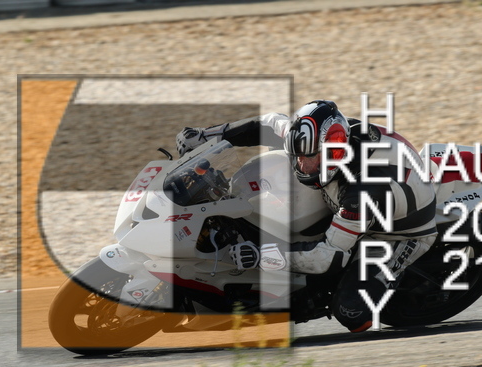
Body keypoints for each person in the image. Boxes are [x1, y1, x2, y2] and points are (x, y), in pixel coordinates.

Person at [176, 100, 437, 332]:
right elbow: (267, 124)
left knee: (352, 314)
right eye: (298, 156)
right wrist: (206, 135)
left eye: (309, 158)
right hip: (362, 196)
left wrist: (259, 256)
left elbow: (327, 257)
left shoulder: (362, 191)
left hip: (395, 234)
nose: (302, 164)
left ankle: (387, 278)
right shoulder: (314, 137)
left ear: (334, 152)